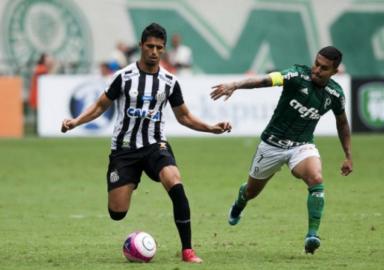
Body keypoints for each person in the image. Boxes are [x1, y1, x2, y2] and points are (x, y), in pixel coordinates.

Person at [61, 23, 231, 263]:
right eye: (150, 46)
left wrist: (211, 128)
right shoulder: (123, 77)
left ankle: (187, 250)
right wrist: (76, 121)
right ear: (141, 46)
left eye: (159, 48)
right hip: (125, 149)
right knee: (117, 213)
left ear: (163, 50)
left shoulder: (169, 82)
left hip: (155, 145)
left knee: (175, 181)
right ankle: (129, 181)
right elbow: (100, 106)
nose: (154, 51)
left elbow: (184, 116)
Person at [210, 46, 352, 255]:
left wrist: (348, 155)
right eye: (316, 64)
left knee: (316, 178)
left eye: (324, 68)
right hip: (272, 145)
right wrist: (235, 85)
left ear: (334, 71)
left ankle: (312, 235)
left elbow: (342, 123)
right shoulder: (296, 74)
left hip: (301, 146)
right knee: (251, 191)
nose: (317, 70)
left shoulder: (335, 94)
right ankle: (240, 201)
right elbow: (265, 81)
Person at [28, 53, 55, 132]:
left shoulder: (40, 68)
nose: (50, 61)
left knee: (39, 115)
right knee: (39, 115)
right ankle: (38, 131)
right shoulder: (41, 68)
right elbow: (48, 77)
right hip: (38, 95)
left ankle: (38, 130)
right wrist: (54, 66)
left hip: (39, 95)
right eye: (48, 59)